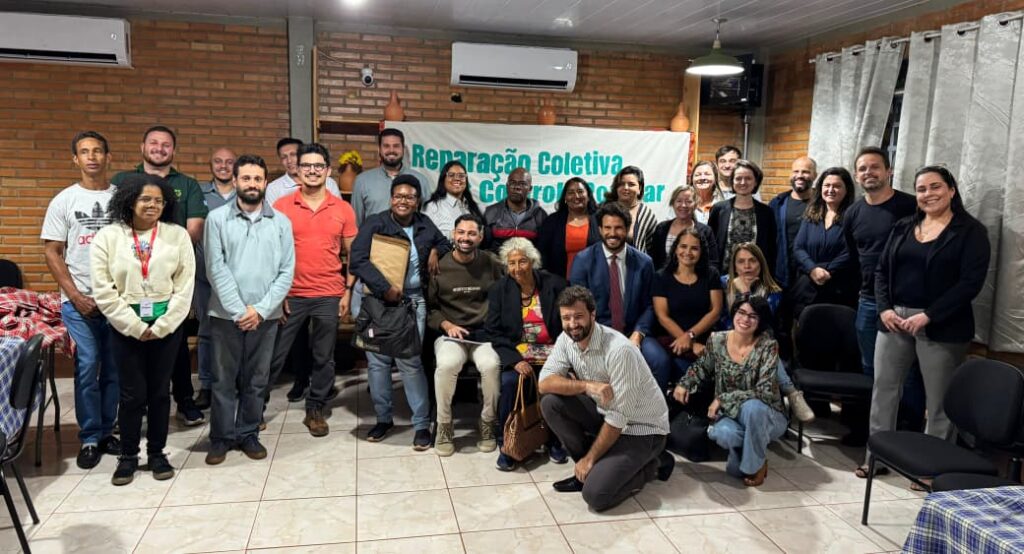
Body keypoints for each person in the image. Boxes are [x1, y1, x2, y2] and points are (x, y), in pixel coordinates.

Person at [865, 166, 989, 477]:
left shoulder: (971, 232)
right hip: (894, 320)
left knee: (939, 402)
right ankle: (877, 457)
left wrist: (929, 315)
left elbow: (970, 283)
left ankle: (932, 470)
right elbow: (881, 271)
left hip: (941, 324)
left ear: (951, 190)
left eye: (935, 187)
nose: (928, 194)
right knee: (884, 391)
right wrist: (884, 309)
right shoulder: (903, 226)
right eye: (921, 189)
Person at [90, 173, 195, 486]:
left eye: (159, 201)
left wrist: (163, 325)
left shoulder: (177, 236)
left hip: (167, 326)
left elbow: (185, 286)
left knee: (160, 392)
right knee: (132, 394)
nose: (152, 205)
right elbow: (103, 289)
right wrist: (134, 325)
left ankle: (157, 452)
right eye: (145, 199)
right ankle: (128, 456)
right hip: (125, 326)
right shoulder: (108, 237)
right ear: (129, 200)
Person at [539, 286, 673, 512]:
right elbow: (544, 383)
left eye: (578, 316)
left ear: (593, 314)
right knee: (551, 403)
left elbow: (618, 417)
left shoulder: (620, 350)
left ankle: (654, 464)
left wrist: (591, 458)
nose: (572, 324)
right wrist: (586, 385)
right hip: (605, 414)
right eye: (566, 318)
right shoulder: (566, 339)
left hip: (641, 429)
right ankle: (586, 472)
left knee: (596, 496)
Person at [111, 125, 208, 427]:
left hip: (171, 277)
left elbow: (193, 230)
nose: (159, 148)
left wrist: (164, 257)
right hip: (131, 279)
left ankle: (185, 401)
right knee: (131, 346)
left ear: (173, 151)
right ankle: (134, 407)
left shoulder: (187, 185)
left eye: (166, 144)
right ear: (142, 147)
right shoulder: (122, 181)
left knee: (175, 343)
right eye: (153, 143)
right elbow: (114, 227)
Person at [203, 154, 295, 464]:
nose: (252, 184)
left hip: (265, 317)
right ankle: (221, 437)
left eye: (257, 178)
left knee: (257, 379)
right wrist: (239, 311)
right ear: (235, 181)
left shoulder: (281, 222)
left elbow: (287, 271)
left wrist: (261, 309)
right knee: (223, 380)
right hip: (225, 316)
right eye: (246, 178)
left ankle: (248, 433)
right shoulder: (217, 219)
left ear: (265, 182)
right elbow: (215, 268)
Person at [350, 174, 451, 449]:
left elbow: (445, 243)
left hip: (413, 302)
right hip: (378, 303)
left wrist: (434, 249)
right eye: (398, 196)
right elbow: (357, 260)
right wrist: (384, 288)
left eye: (409, 197)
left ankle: (421, 424)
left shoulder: (424, 223)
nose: (403, 201)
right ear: (391, 199)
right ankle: (383, 419)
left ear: (417, 201)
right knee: (378, 362)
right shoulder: (376, 223)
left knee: (410, 361)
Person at [42, 131, 121, 470]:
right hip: (78, 301)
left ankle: (106, 430)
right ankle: (89, 437)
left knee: (114, 367)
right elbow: (52, 251)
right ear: (75, 159)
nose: (92, 157)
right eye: (84, 152)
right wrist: (75, 295)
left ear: (108, 157)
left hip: (116, 300)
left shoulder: (121, 198)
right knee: (88, 364)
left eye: (98, 151)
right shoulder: (64, 201)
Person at [268, 143, 357, 437]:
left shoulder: (342, 208)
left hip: (328, 294)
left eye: (318, 165)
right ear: (298, 170)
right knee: (275, 354)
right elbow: (271, 253)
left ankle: (315, 408)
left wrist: (347, 291)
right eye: (306, 165)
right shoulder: (282, 206)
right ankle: (254, 408)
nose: (312, 170)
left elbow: (353, 254)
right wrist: (278, 294)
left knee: (323, 356)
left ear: (328, 171)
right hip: (291, 294)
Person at [844, 147, 922, 449]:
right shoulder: (853, 213)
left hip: (904, 301)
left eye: (875, 167)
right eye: (862, 168)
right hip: (868, 300)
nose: (869, 173)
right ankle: (874, 432)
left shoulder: (910, 207)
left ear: (889, 171)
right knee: (870, 368)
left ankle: (907, 434)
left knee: (907, 371)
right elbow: (855, 256)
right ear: (856, 175)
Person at [673, 296, 786, 486]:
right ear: (734, 313)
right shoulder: (717, 340)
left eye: (753, 316)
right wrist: (684, 383)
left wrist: (722, 399)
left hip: (767, 414)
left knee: (753, 408)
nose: (745, 319)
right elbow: (702, 367)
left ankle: (754, 466)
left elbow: (765, 391)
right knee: (722, 434)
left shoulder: (769, 346)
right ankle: (754, 456)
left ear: (761, 321)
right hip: (731, 413)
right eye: (741, 313)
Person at [483, 237, 569, 471]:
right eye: (511, 263)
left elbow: (568, 323)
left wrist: (562, 355)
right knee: (510, 383)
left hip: (553, 353)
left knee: (553, 384)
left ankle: (553, 440)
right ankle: (508, 444)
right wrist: (514, 360)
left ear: (532, 261)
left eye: (522, 261)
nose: (517, 268)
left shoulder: (555, 284)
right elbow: (493, 331)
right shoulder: (499, 290)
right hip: (518, 354)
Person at [569, 203, 669, 390]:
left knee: (660, 362)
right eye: (607, 228)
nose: (612, 233)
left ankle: (652, 408)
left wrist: (638, 335)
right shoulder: (583, 260)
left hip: (633, 331)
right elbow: (577, 307)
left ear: (628, 229)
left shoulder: (644, 262)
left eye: (618, 228)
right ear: (600, 229)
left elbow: (650, 305)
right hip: (597, 333)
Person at [427, 214, 504, 457]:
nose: (465, 238)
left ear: (480, 237)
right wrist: (446, 324)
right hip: (451, 335)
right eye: (461, 232)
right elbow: (430, 308)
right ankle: (444, 425)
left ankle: (488, 422)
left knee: (491, 365)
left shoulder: (491, 262)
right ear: (453, 234)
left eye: (472, 233)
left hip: (483, 334)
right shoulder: (439, 265)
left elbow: (507, 292)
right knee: (447, 364)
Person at [721, 243, 814, 423]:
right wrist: (741, 292)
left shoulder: (774, 292)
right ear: (734, 265)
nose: (747, 266)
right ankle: (791, 392)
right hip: (728, 343)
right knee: (762, 345)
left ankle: (769, 411)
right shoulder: (722, 285)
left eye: (752, 261)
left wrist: (746, 293)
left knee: (763, 343)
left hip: (762, 347)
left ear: (761, 263)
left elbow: (763, 326)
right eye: (741, 262)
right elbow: (724, 323)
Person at [193, 147, 238, 411]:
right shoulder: (198, 193)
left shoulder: (245, 194)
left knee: (238, 331)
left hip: (238, 278)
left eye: (229, 162)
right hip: (205, 278)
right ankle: (207, 385)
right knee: (207, 332)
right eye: (218, 161)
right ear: (210, 165)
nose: (223, 166)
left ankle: (234, 383)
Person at [650, 228, 724, 384]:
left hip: (704, 339)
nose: (688, 252)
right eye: (683, 246)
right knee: (686, 371)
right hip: (672, 339)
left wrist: (690, 336)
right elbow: (662, 316)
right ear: (676, 248)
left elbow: (715, 311)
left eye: (694, 248)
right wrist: (689, 342)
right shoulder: (661, 276)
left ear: (701, 252)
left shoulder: (711, 274)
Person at [791, 167, 857, 319]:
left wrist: (825, 271)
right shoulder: (811, 214)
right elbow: (798, 247)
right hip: (807, 288)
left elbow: (851, 251)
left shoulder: (854, 216)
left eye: (837, 186)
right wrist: (813, 269)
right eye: (827, 185)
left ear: (847, 189)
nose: (831, 190)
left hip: (838, 290)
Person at [707, 159, 777, 274]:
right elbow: (710, 245)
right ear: (732, 181)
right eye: (738, 178)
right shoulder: (718, 209)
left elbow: (772, 248)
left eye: (748, 178)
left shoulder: (766, 212)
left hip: (755, 277)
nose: (743, 182)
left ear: (756, 182)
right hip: (722, 277)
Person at [351, 128, 430, 225]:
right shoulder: (362, 181)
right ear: (379, 149)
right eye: (386, 146)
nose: (391, 150)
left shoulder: (421, 180)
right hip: (374, 235)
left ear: (403, 149)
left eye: (396, 146)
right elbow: (356, 224)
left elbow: (427, 222)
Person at [536, 176, 600, 278]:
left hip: (594, 280)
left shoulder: (600, 219)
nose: (576, 196)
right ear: (565, 198)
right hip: (560, 281)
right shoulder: (552, 221)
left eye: (580, 191)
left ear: (588, 196)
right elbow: (542, 251)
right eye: (571, 192)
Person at [646, 184, 719, 273]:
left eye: (688, 201)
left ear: (695, 205)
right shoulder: (661, 228)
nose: (683, 205)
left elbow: (712, 263)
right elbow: (654, 260)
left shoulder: (705, 231)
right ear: (673, 203)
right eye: (679, 201)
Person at [769, 156, 817, 289]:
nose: (800, 175)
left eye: (805, 172)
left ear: (815, 175)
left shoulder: (823, 204)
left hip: (812, 276)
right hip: (782, 276)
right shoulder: (777, 204)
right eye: (796, 171)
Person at [483, 167, 547, 251]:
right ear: (507, 186)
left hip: (528, 259)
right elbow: (484, 247)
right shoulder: (491, 212)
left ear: (530, 189)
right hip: (497, 259)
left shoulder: (540, 215)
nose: (516, 187)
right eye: (513, 183)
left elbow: (543, 249)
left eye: (522, 184)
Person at [264, 138, 341, 206]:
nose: (289, 161)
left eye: (293, 154)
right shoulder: (274, 188)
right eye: (284, 157)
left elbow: (339, 211)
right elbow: (272, 217)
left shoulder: (329, 183)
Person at [421, 160, 484, 239]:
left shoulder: (474, 207)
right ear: (443, 179)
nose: (457, 179)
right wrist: (452, 235)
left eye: (461, 176)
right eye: (451, 175)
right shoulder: (432, 207)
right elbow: (424, 237)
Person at [603, 166, 658, 253]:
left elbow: (652, 249)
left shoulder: (646, 215)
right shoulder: (604, 210)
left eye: (631, 184)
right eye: (621, 184)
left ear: (639, 189)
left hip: (635, 261)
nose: (626, 188)